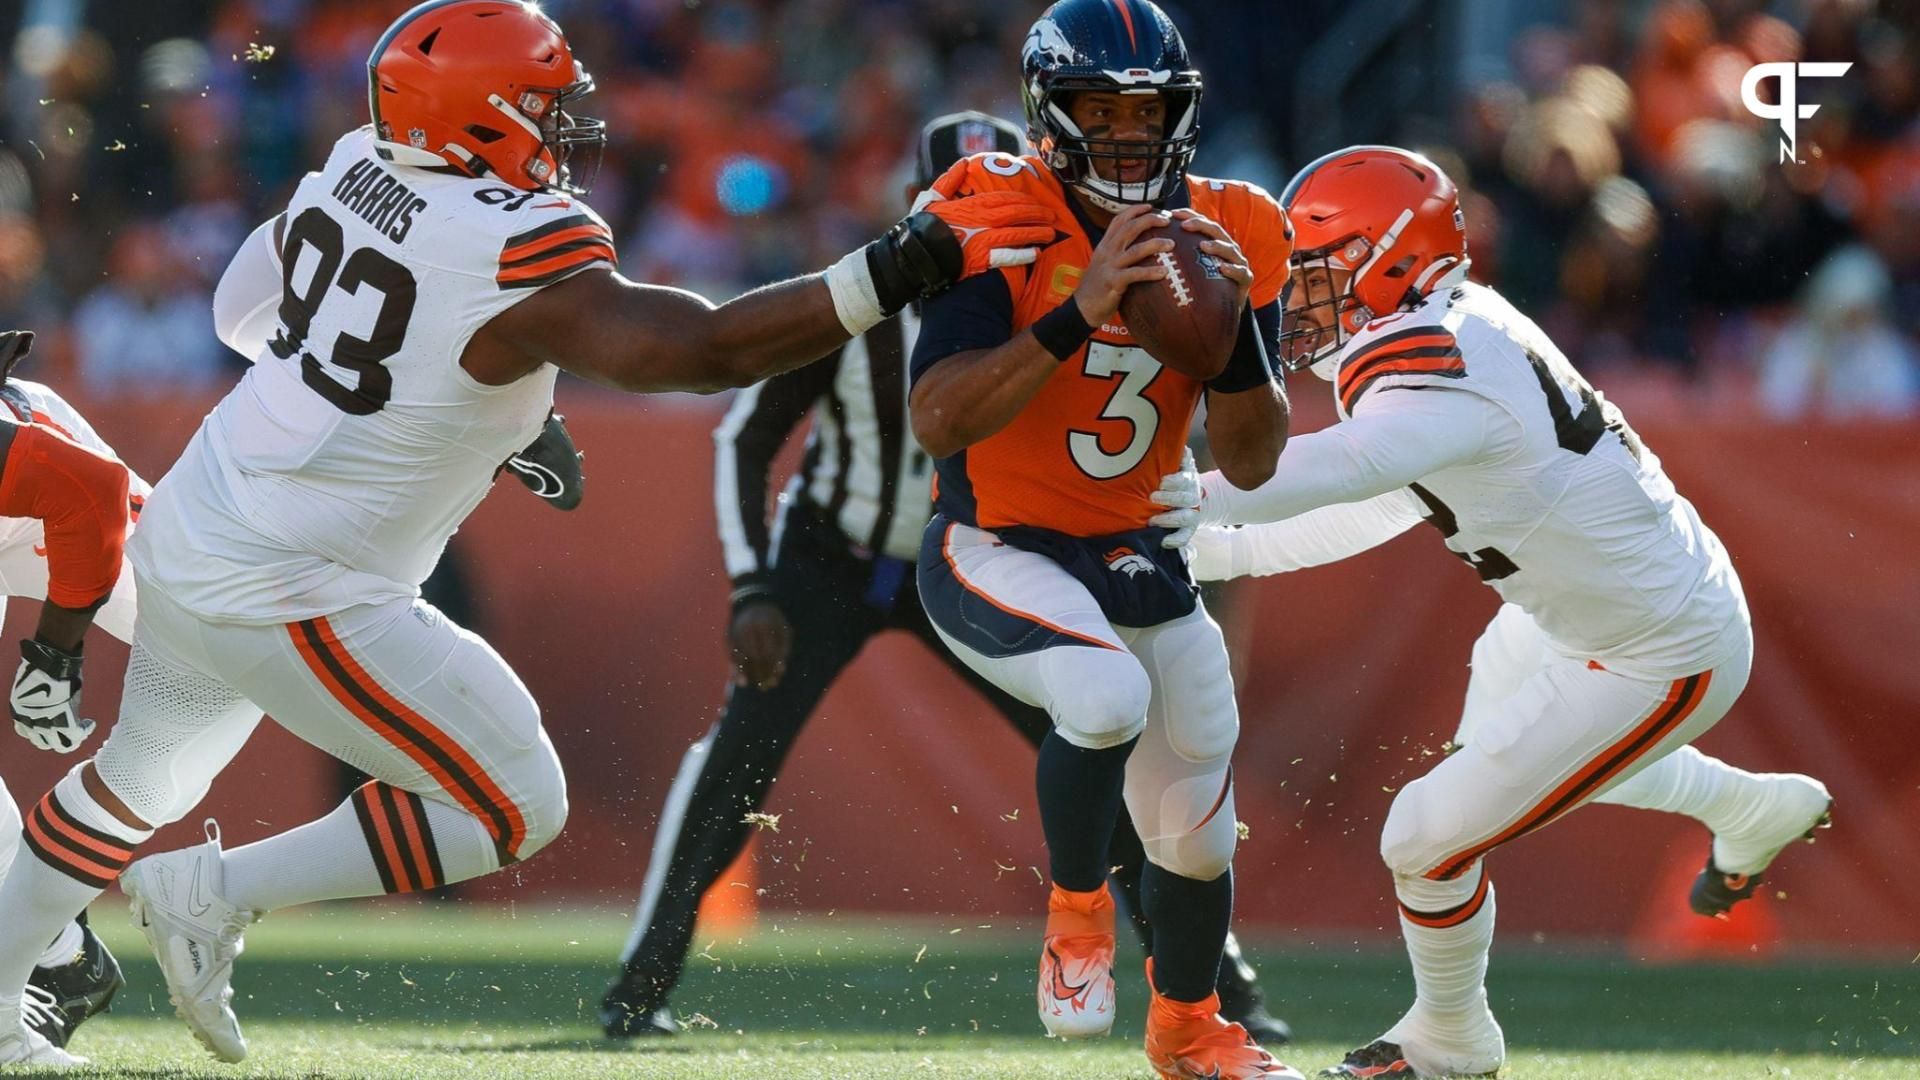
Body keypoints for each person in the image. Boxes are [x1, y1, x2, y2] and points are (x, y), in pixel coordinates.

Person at [0, 1, 1053, 1068]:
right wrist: (901, 266)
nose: (562, 131)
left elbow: (240, 314)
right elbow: (698, 351)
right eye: (541, 107)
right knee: (512, 801)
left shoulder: (361, 159)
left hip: (195, 514)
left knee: (137, 777)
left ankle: (1, 1003)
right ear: (477, 116)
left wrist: (444, 393)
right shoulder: (510, 239)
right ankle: (209, 892)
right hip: (292, 579)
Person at [600, 111, 1290, 1046]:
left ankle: (1220, 991)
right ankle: (640, 988)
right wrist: (754, 583)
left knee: (1099, 742)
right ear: (919, 205)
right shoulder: (862, 296)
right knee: (736, 761)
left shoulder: (1055, 275)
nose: (992, 224)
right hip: (833, 558)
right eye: (969, 201)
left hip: (989, 547)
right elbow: (746, 435)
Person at [1148, 146, 1832, 1079]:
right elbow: (1374, 504)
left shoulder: (1445, 359)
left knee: (1426, 837)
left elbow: (1331, 472)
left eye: (1317, 268)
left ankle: (1452, 1044)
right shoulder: (1443, 330)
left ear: (1391, 258)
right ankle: (1751, 808)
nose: (1296, 296)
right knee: (1504, 777)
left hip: (1665, 649)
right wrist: (1199, 544)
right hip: (1565, 618)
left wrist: (1172, 501)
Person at [908, 3, 1299, 1077]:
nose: (1126, 132)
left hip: (1137, 552)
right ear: (1050, 111)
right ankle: (1077, 912)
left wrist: (1232, 336)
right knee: (1104, 699)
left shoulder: (1237, 224)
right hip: (996, 542)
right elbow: (938, 418)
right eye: (1099, 107)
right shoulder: (990, 206)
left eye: (1148, 109)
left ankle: (1189, 1030)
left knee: (1200, 822)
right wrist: (1078, 309)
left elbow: (1256, 457)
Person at [0, 330, 144, 1063]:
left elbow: (89, 490)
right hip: (37, 479)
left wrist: (54, 656)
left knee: (228, 641)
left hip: (56, 493)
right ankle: (58, 951)